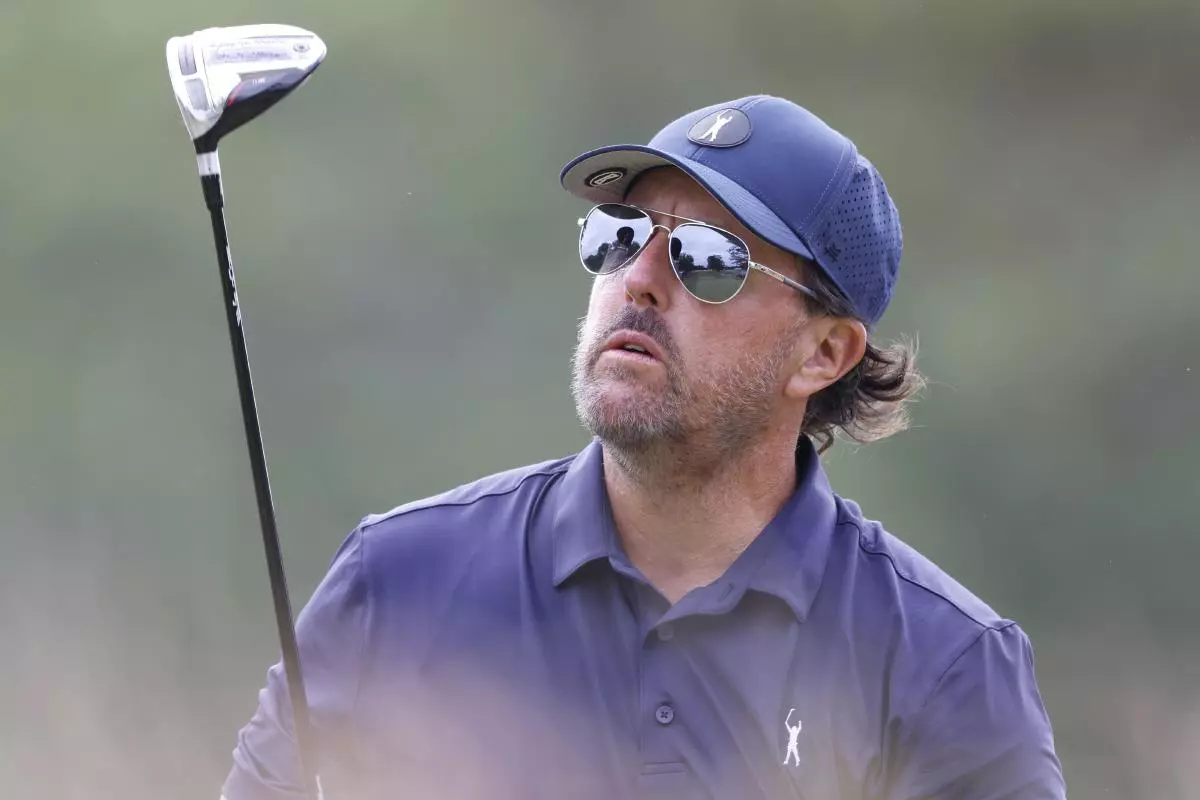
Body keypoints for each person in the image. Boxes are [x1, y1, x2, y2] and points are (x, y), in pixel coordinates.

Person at [220, 95, 1066, 799]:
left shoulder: (947, 668)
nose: (640, 278)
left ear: (825, 353)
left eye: (707, 259)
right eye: (620, 234)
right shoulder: (396, 580)